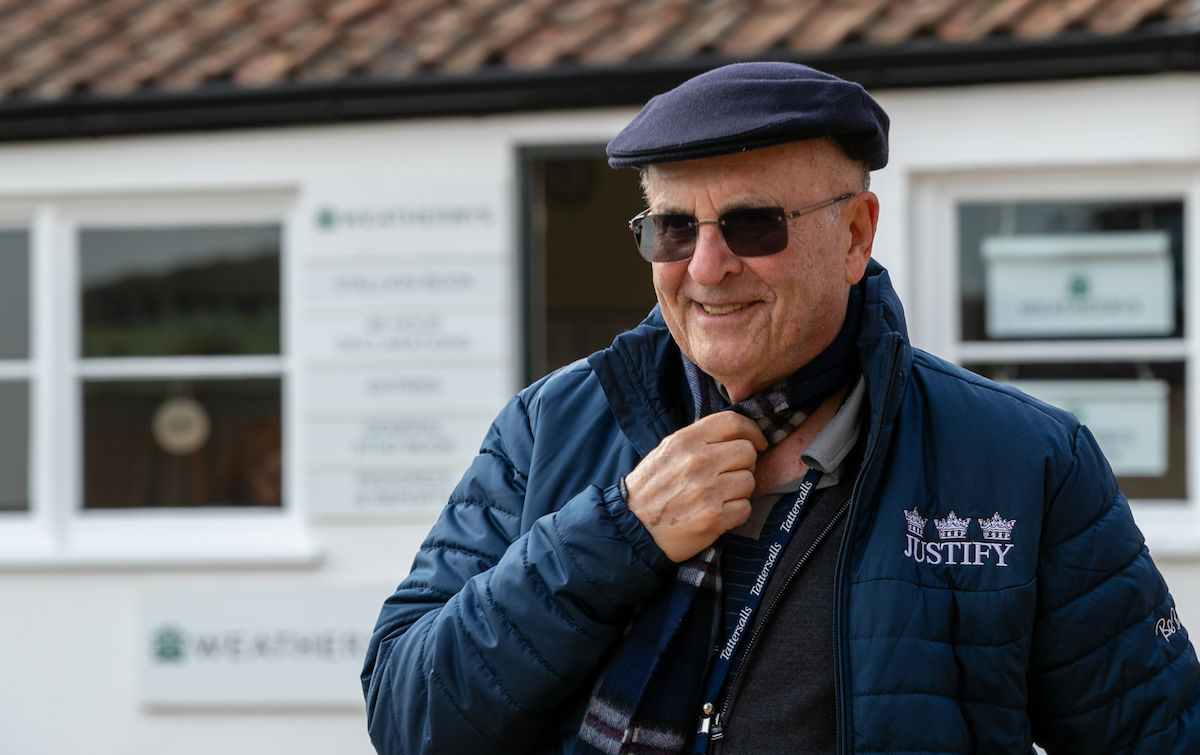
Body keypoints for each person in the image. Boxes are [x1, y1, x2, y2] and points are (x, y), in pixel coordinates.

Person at [362, 62, 1199, 754]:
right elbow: (407, 715)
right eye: (673, 228)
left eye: (754, 224)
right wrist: (616, 535)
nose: (706, 266)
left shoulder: (1027, 461)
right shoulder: (547, 426)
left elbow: (1157, 737)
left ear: (856, 236)